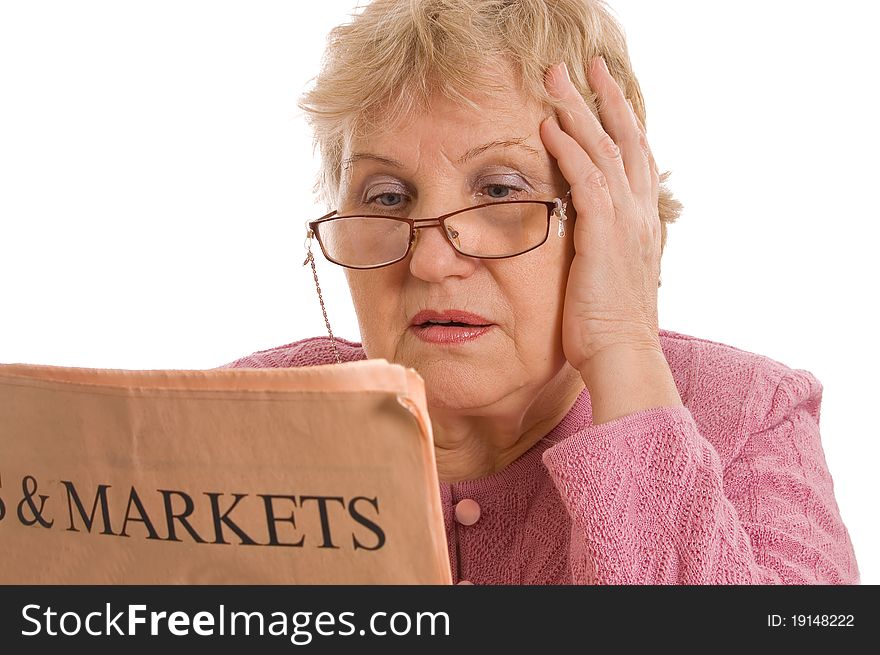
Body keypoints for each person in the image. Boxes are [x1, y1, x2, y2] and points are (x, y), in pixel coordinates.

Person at [219, 0, 858, 584]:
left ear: (612, 220)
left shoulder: (746, 414)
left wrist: (622, 347)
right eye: (388, 197)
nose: (433, 260)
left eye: (500, 191)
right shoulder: (240, 419)